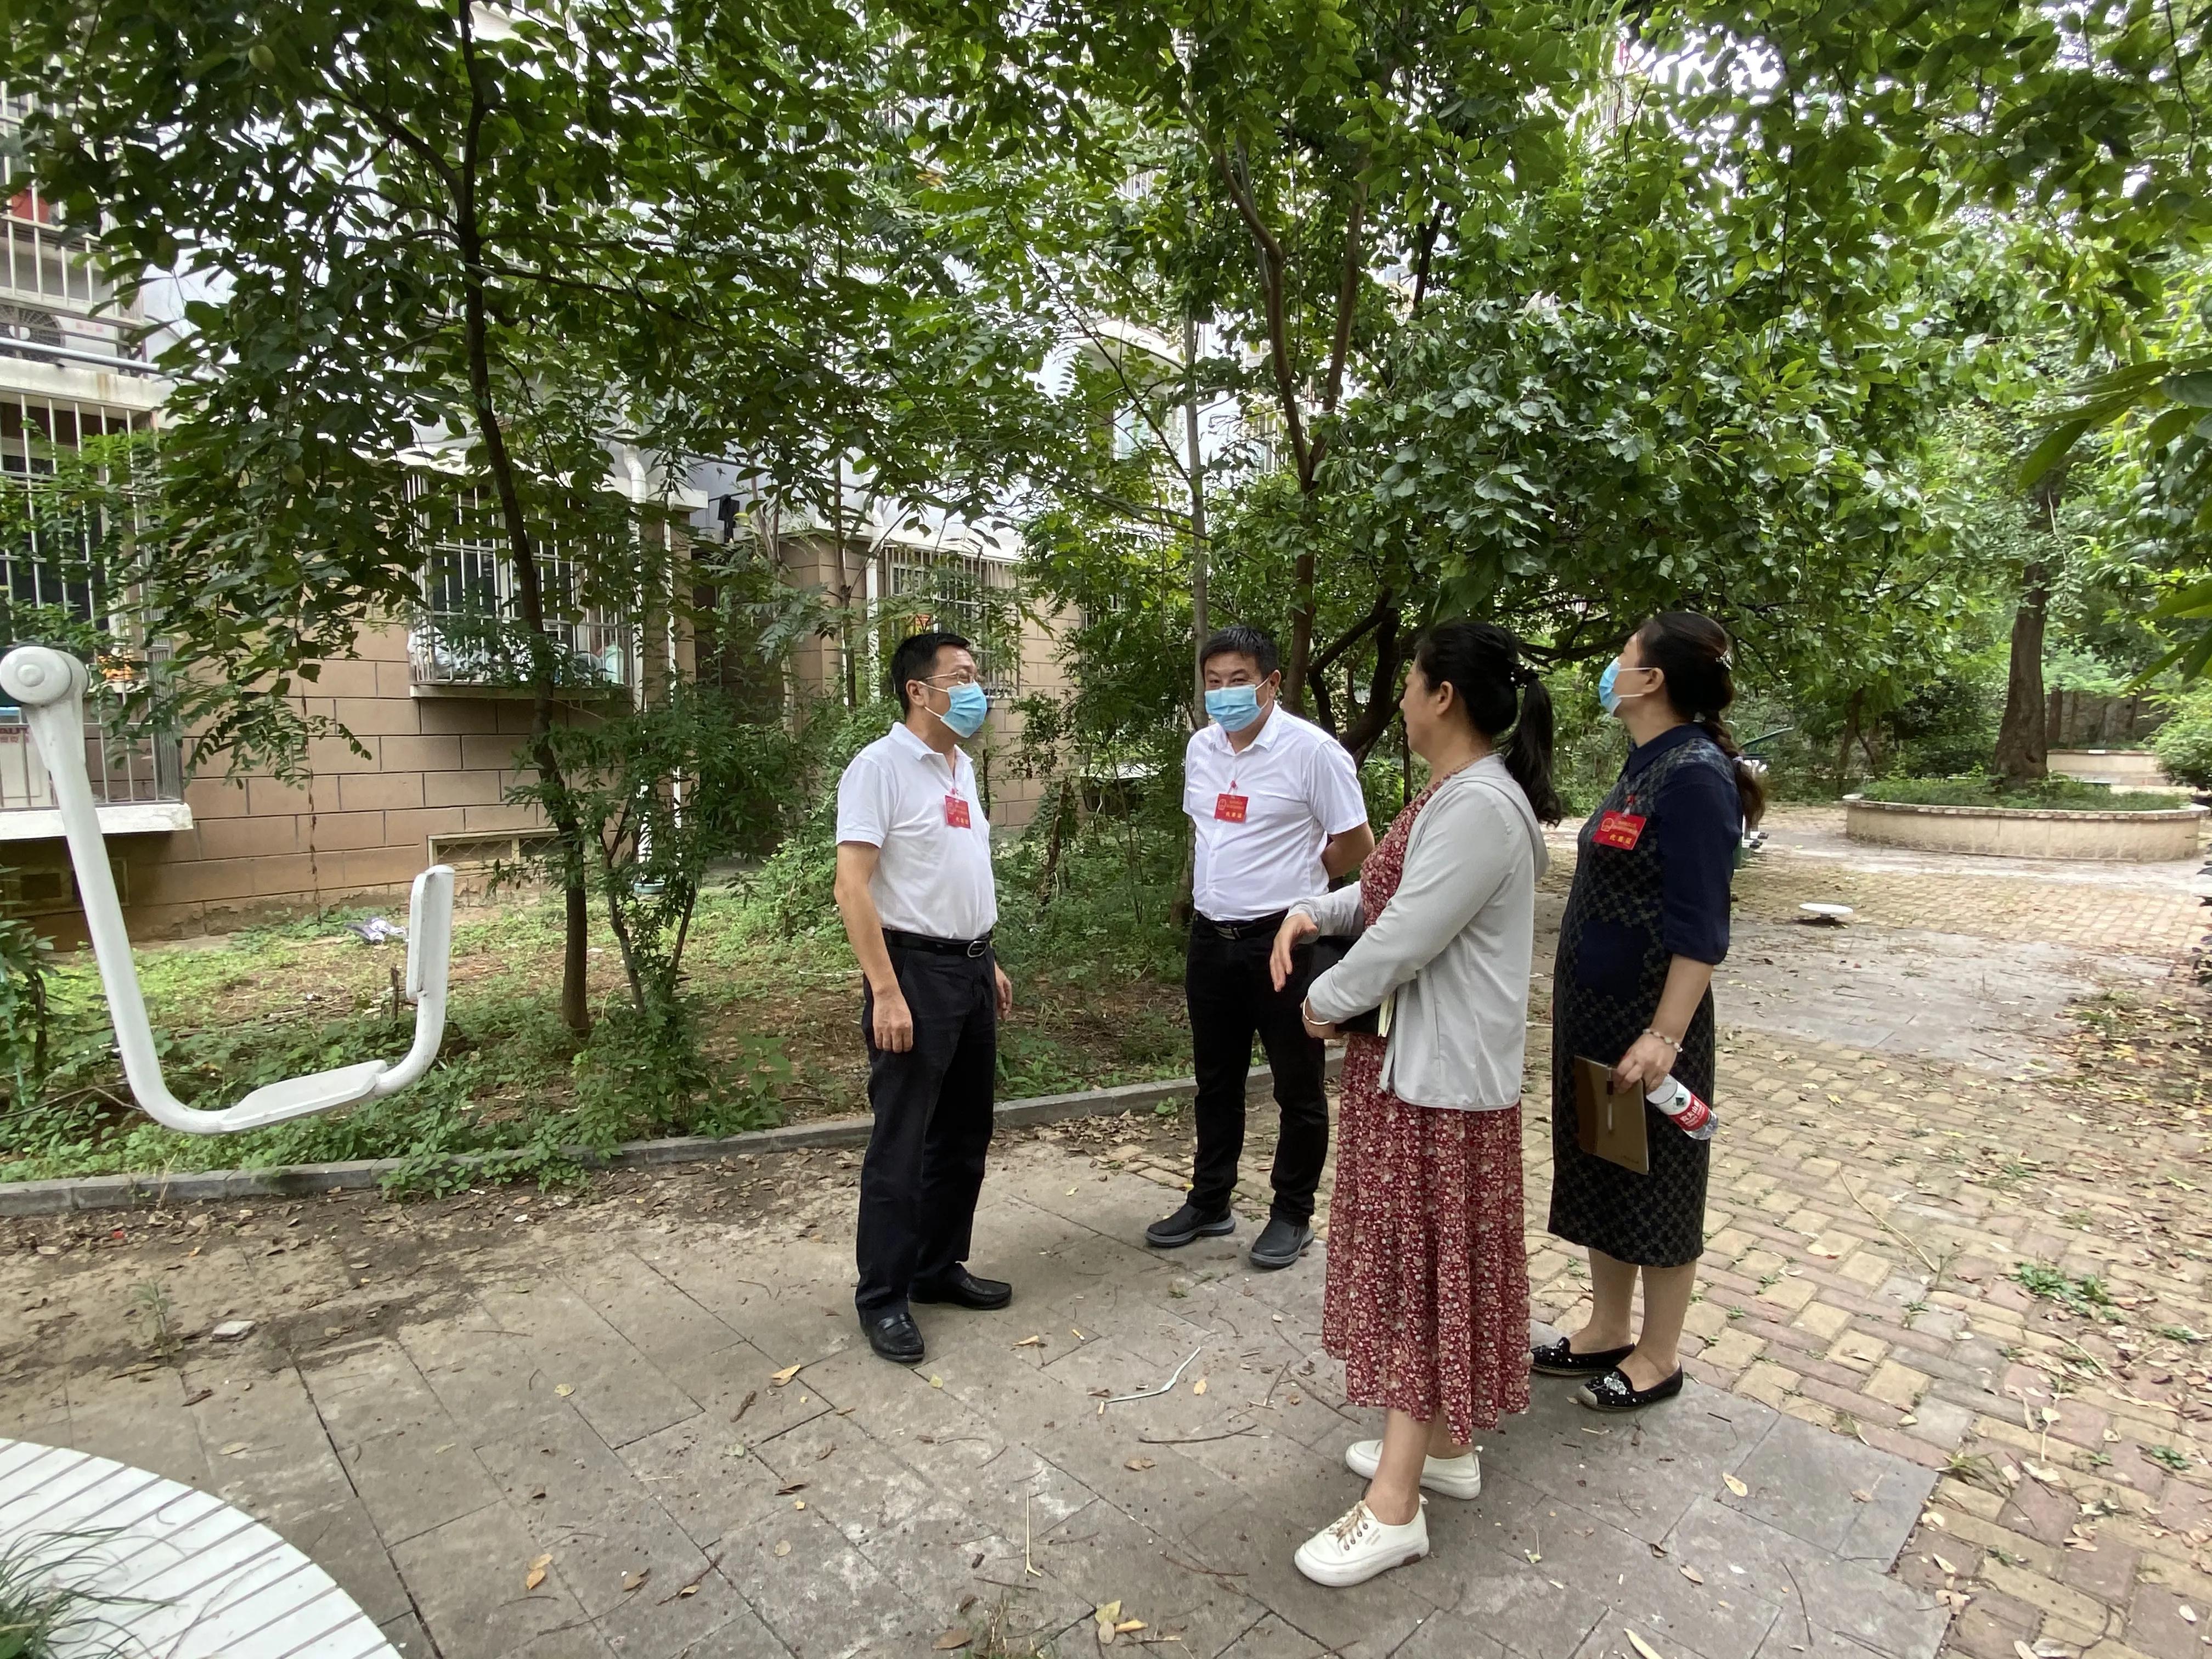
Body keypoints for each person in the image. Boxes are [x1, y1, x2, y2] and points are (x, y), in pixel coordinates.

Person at [1266, 619, 1559, 1587]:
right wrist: (1317, 907)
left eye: (1411, 682)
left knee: (1417, 1275)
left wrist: (1321, 1000)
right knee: (1423, 1262)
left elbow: (1407, 940)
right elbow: (1388, 898)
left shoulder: (1479, 804)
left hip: (1440, 1086)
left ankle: (1395, 1507)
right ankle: (1438, 1445)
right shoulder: (1453, 793)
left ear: (1442, 695)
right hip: (1415, 1074)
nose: (1399, 697)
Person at [1536, 612, 1765, 1412]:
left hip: (1650, 1029)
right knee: (1607, 1167)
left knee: (1662, 1180)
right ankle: (1607, 1326)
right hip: (1599, 1019)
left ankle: (1659, 1355)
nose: (1612, 671)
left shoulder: (1696, 773)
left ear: (1653, 679)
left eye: (1623, 658)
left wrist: (1666, 1034)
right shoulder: (1645, 764)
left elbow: (1702, 926)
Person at [1146, 625, 1374, 1271]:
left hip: (1283, 941)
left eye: (1238, 680)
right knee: (1214, 1081)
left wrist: (1302, 889)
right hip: (1210, 938)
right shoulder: (1201, 749)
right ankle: (1210, 1201)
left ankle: (1291, 1214)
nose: (1224, 695)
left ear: (1271, 683)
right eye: (1213, 682)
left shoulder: (1314, 753)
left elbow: (1355, 843)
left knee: (1297, 1086)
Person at [832, 630, 1015, 1365]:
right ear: (919, 690)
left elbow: (952, 870)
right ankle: (883, 1297)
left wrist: (988, 957)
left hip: (969, 972)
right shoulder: (880, 768)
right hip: (910, 974)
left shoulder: (958, 766)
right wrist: (886, 990)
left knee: (965, 1134)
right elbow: (853, 887)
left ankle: (938, 1267)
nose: (977, 688)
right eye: (962, 675)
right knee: (901, 1146)